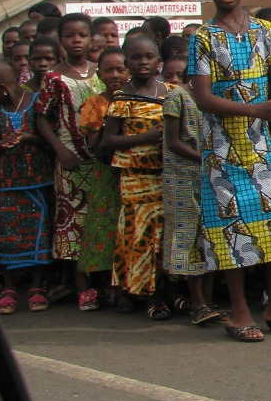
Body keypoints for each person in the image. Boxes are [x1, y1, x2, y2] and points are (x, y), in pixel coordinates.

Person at [188, 0, 271, 342]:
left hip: (261, 145)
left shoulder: (265, 30)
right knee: (229, 227)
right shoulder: (202, 38)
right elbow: (202, 97)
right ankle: (238, 311)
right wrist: (256, 108)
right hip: (221, 148)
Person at [35, 13, 103, 309]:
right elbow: (40, 117)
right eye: (70, 36)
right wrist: (59, 150)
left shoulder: (101, 72)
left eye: (82, 35)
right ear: (60, 41)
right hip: (70, 160)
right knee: (75, 221)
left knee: (100, 219)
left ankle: (103, 282)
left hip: (99, 158)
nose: (76, 40)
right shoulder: (54, 78)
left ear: (91, 39)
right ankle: (81, 283)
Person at [100, 36, 168, 318]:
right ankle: (132, 290)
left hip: (165, 176)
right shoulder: (121, 100)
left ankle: (160, 294)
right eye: (136, 57)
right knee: (136, 237)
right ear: (127, 63)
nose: (143, 62)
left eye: (148, 57)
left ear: (158, 61)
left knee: (162, 238)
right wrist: (146, 137)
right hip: (135, 177)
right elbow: (107, 142)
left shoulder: (171, 92)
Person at [0, 58, 54, 313]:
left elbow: (48, 138)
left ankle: (37, 286)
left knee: (39, 233)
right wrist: (3, 143)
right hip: (7, 184)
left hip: (37, 180)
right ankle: (9, 287)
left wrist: (26, 138)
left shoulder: (36, 102)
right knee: (8, 236)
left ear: (2, 86)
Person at [161, 54, 221, 326]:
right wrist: (204, 159)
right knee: (188, 238)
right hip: (183, 178)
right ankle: (197, 303)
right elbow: (172, 141)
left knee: (209, 238)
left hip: (208, 177)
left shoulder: (213, 98)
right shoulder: (177, 97)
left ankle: (208, 302)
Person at [77, 49, 128, 308]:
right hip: (107, 174)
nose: (115, 75)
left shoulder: (140, 98)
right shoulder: (96, 104)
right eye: (108, 70)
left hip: (137, 173)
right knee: (107, 229)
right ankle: (110, 285)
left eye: (120, 69)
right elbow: (95, 147)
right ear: (99, 74)